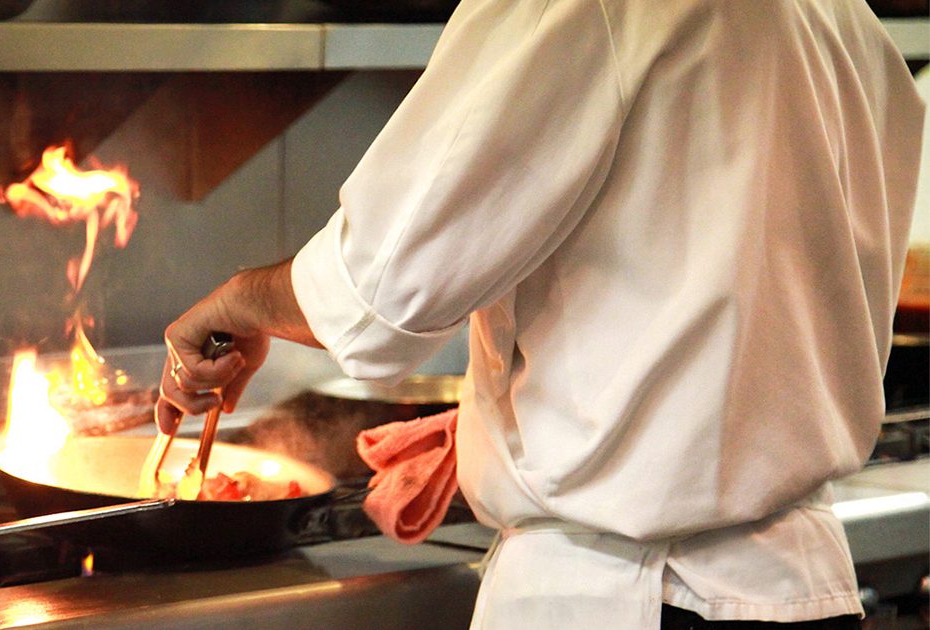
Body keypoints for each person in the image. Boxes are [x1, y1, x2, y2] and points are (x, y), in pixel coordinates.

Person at [154, 0, 925, 628]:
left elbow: (381, 293)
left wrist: (246, 301)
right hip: (806, 595)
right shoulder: (847, 24)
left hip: (633, 600)